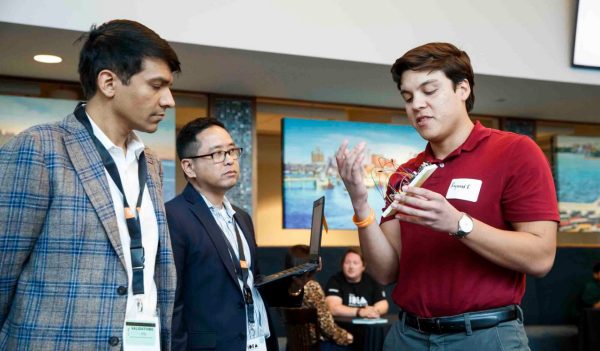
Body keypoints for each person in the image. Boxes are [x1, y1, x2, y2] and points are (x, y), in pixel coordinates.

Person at [335, 42, 559, 350]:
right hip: (408, 336)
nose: (417, 104)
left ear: (463, 88)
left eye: (430, 90)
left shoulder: (515, 152)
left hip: (485, 336)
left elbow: (541, 257)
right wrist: (360, 203)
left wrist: (458, 223)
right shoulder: (404, 174)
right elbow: (386, 271)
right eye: (408, 97)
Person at [0, 19, 180, 350]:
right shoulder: (40, 148)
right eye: (156, 86)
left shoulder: (150, 163)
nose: (169, 100)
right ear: (109, 82)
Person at [166, 118, 304, 351]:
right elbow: (171, 303)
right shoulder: (174, 216)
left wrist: (293, 284)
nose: (230, 160)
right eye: (217, 154)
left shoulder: (242, 217)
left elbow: (251, 282)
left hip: (258, 341)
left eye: (231, 150)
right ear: (189, 167)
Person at [285, 245, 353, 350]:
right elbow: (326, 326)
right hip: (317, 346)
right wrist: (345, 336)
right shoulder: (312, 287)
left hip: (293, 346)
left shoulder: (283, 288)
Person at [325, 248, 388, 319]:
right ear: (342, 265)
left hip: (367, 327)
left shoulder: (372, 280)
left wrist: (372, 311)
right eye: (347, 262)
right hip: (342, 327)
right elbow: (333, 308)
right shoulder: (335, 281)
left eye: (355, 263)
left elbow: (383, 304)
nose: (351, 267)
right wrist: (359, 312)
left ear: (363, 266)